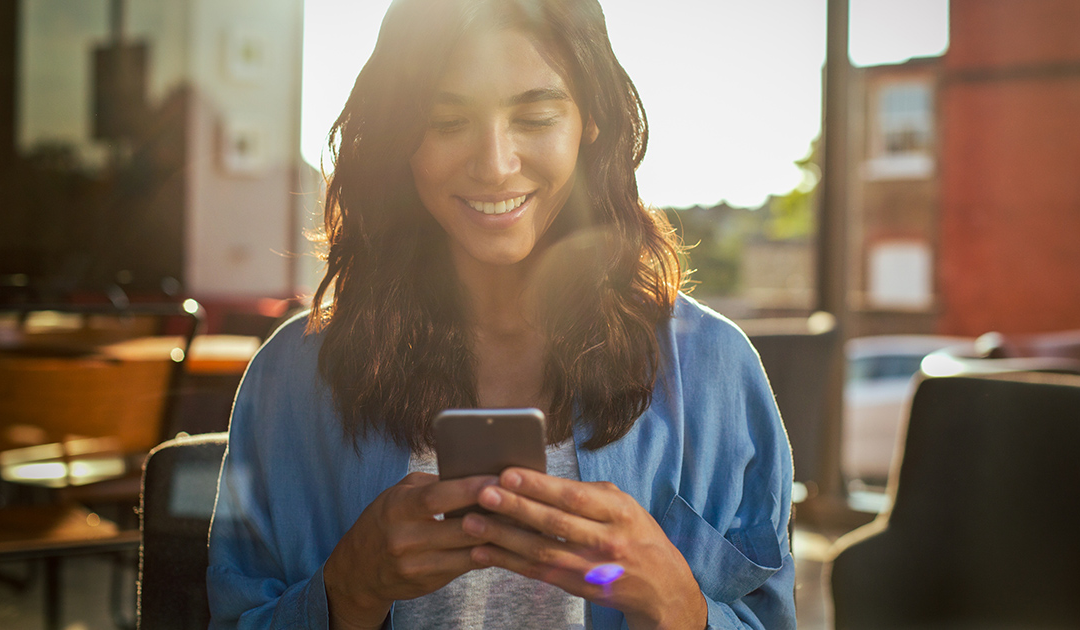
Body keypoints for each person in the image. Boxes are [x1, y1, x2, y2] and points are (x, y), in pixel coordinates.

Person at [206, 0, 796, 627]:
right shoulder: (293, 379)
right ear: (398, 136)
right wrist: (346, 591)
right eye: (446, 121)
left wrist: (681, 605)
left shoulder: (715, 372)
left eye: (536, 116)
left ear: (590, 120)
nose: (494, 165)